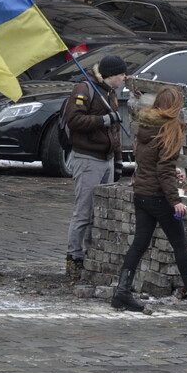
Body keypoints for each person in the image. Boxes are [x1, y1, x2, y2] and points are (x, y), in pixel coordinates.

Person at [111, 85, 187, 312]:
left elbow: (145, 163)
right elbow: (165, 170)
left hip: (142, 194)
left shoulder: (145, 125)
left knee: (139, 244)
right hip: (159, 197)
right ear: (175, 106)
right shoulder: (170, 129)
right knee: (180, 245)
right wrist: (175, 201)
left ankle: (121, 292)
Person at [64, 54, 126, 280]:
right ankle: (74, 258)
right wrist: (103, 120)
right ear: (111, 75)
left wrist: (118, 160)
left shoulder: (110, 92)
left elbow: (115, 130)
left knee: (99, 213)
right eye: (121, 74)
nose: (124, 78)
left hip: (107, 159)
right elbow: (75, 121)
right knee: (83, 212)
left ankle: (92, 254)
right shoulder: (85, 89)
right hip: (88, 158)